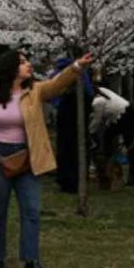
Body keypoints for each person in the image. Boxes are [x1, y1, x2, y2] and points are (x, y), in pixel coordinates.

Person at [0, 50, 94, 268]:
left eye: (27, 61)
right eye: (22, 63)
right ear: (10, 68)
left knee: (31, 210)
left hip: (27, 157)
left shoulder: (35, 91)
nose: (28, 65)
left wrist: (76, 67)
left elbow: (57, 84)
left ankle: (31, 262)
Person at [53, 53, 96, 194]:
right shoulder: (82, 75)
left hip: (65, 113)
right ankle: (76, 179)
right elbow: (89, 94)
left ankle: (66, 180)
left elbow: (53, 94)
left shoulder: (60, 74)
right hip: (78, 113)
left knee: (65, 147)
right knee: (78, 147)